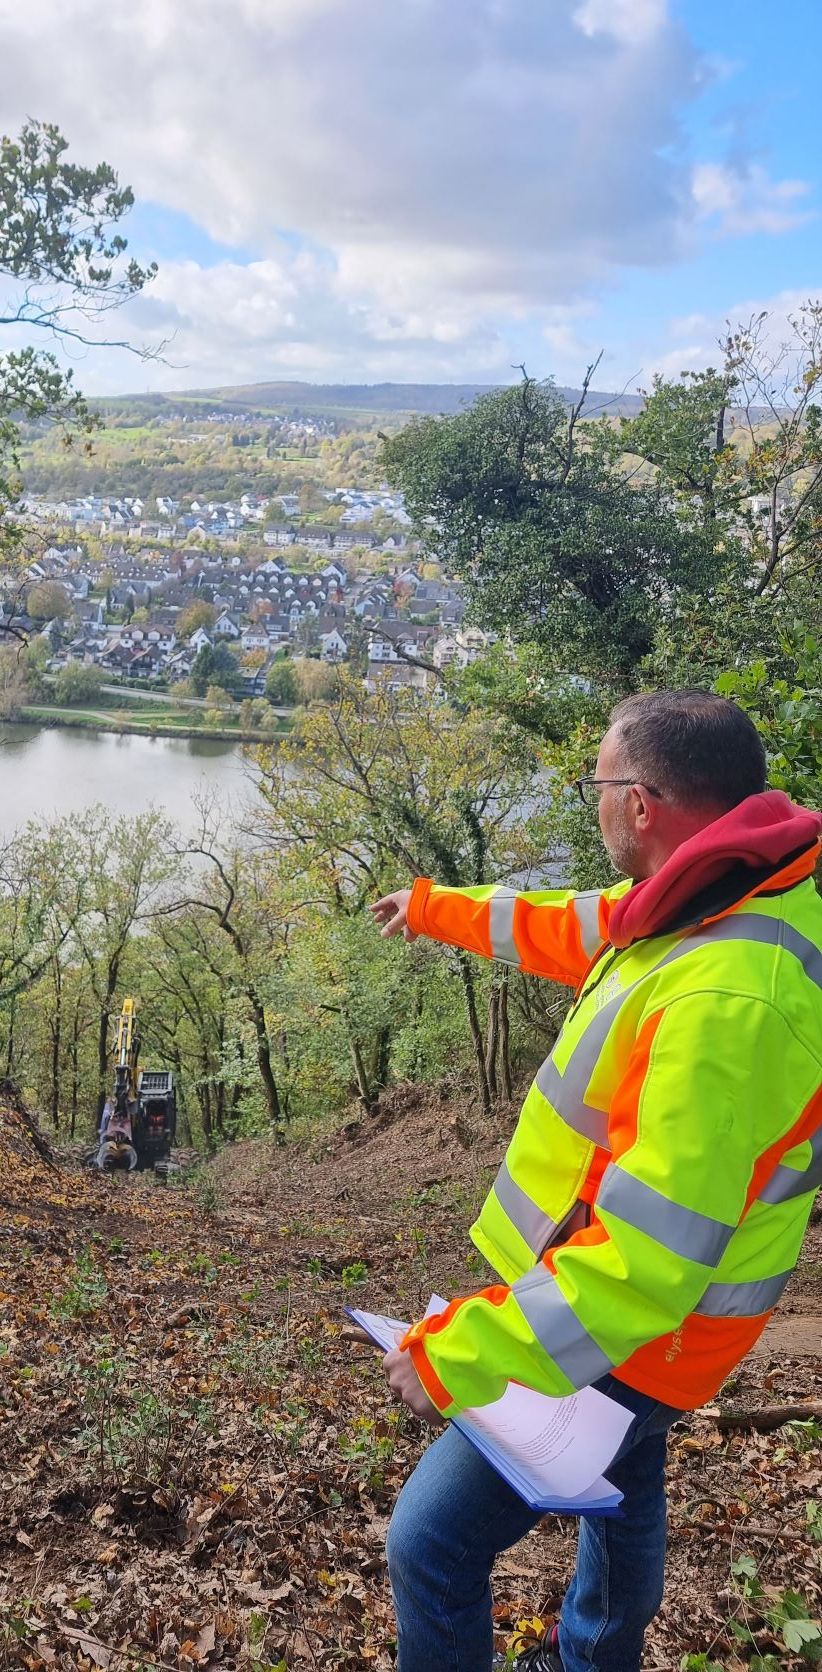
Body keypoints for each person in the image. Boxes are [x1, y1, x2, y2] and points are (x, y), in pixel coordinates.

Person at [368, 690, 822, 1672]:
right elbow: (574, 926)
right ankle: (600, 1655)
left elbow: (643, 1268)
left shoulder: (726, 1001)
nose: (595, 803)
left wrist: (457, 1351)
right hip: (661, 1327)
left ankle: (597, 1653)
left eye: (600, 785)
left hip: (643, 1328)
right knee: (631, 1475)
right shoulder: (718, 887)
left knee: (430, 1539)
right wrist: (435, 907)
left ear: (646, 804)